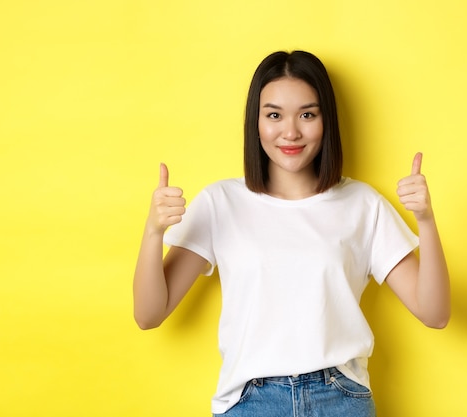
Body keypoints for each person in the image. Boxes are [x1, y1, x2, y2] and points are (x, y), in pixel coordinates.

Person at [133, 50, 450, 417]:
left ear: (325, 120)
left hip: (340, 399)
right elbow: (148, 314)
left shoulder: (362, 204)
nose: (290, 132)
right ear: (256, 122)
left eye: (307, 114)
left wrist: (425, 220)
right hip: (250, 402)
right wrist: (154, 231)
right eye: (274, 115)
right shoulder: (221, 202)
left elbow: (435, 313)